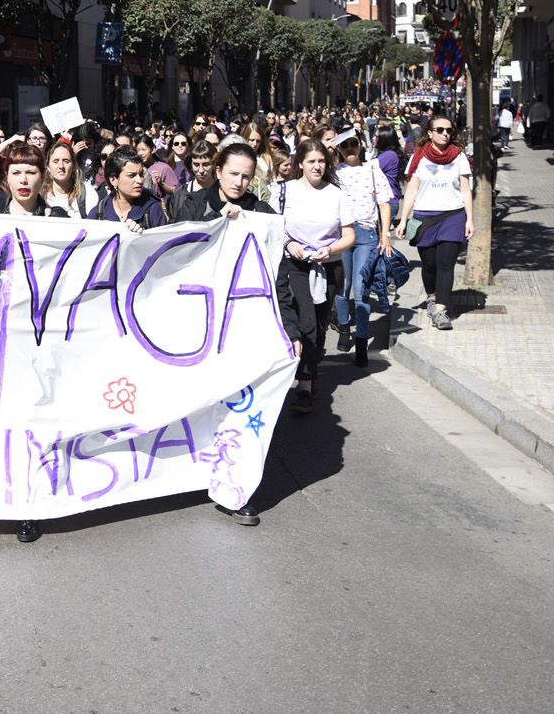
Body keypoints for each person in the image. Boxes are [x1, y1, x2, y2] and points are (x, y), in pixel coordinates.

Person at [168, 141, 304, 523]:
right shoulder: (192, 206)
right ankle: (188, 474)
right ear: (218, 169)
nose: (240, 182)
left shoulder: (263, 215)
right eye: (233, 174)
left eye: (247, 176)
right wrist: (216, 226)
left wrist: (289, 328)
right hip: (194, 329)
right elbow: (170, 258)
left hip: (244, 329)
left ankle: (236, 487)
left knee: (239, 408)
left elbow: (278, 280)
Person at [0, 140, 67, 545]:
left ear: (42, 175)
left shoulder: (59, 217)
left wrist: (127, 233)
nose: (24, 179)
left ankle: (33, 502)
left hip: (44, 335)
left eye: (31, 171)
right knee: (7, 419)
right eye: (16, 172)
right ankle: (12, 498)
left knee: (38, 417)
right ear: (4, 177)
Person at [276, 139, 354, 414]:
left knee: (320, 325)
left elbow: (349, 235)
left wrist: (330, 249)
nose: (317, 166)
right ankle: (304, 385)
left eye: (321, 161)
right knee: (305, 320)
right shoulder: (284, 191)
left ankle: (311, 369)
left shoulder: (337, 194)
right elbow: (274, 227)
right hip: (295, 265)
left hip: (329, 266)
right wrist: (287, 243)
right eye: (311, 161)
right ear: (300, 164)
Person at [395, 116, 474, 332]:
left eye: (448, 130)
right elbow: (411, 191)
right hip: (425, 218)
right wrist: (403, 220)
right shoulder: (418, 158)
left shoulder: (459, 157)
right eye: (439, 130)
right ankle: (432, 296)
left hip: (453, 216)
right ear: (429, 133)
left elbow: (466, 190)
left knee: (445, 265)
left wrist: (470, 219)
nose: (445, 134)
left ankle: (440, 311)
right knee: (429, 265)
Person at [331, 130, 393, 366]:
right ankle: (344, 328)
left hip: (366, 233)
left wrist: (384, 235)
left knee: (361, 286)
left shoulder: (372, 169)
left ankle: (361, 341)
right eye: (344, 145)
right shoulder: (333, 172)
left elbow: (384, 203)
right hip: (339, 232)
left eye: (353, 144)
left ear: (361, 146)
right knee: (343, 285)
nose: (349, 148)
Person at [89, 149, 166, 231]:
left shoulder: (153, 210)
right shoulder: (98, 213)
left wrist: (141, 237)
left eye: (140, 174)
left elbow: (163, 242)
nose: (139, 181)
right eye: (131, 176)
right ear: (113, 180)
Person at [43, 141, 95, 218]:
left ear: (73, 166)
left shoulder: (88, 194)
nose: (61, 166)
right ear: (48, 167)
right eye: (56, 161)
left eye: (66, 161)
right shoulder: (40, 195)